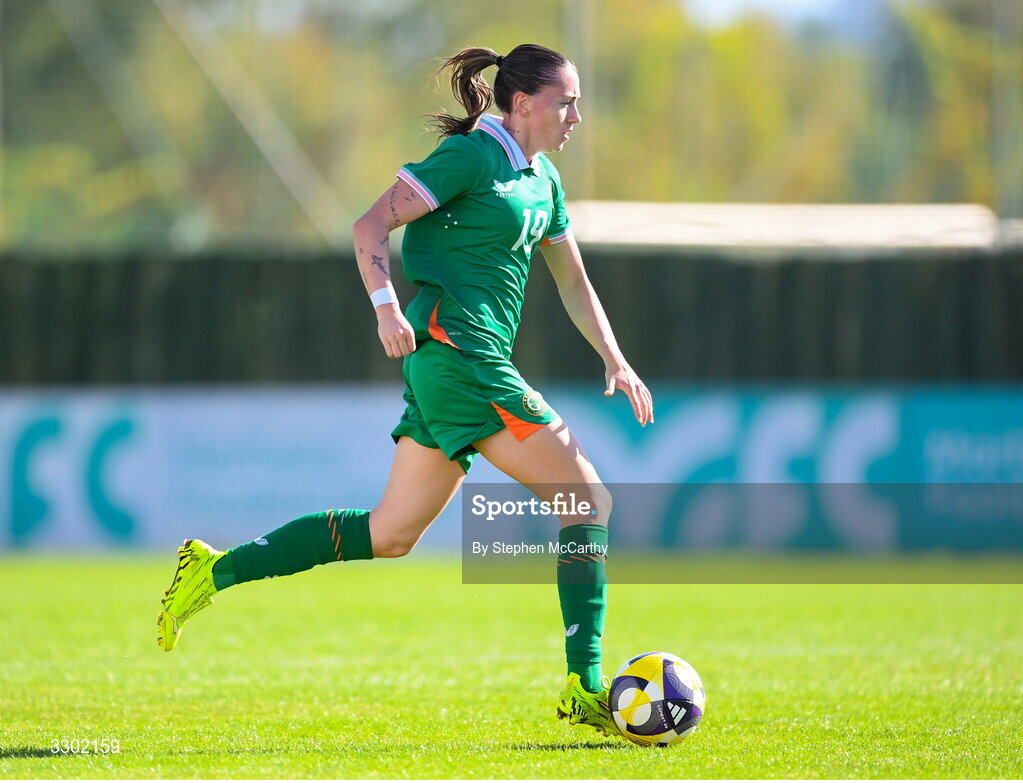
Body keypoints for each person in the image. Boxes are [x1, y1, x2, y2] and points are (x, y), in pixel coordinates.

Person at [156, 43, 653, 737]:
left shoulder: (542, 180)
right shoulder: (471, 159)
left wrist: (616, 357)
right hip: (462, 357)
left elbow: (572, 280)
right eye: (564, 101)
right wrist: (385, 304)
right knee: (586, 500)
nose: (575, 114)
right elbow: (369, 225)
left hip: (450, 364)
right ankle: (584, 682)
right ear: (520, 104)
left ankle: (212, 570)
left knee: (390, 534)